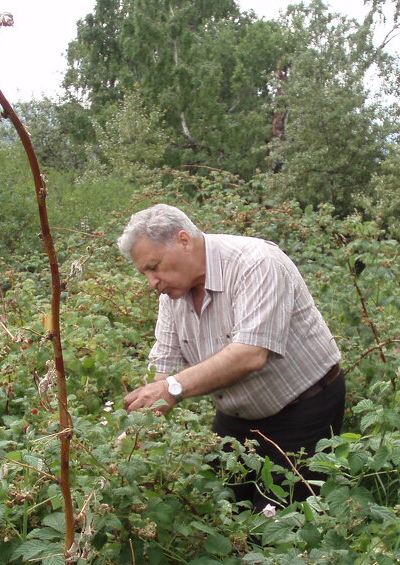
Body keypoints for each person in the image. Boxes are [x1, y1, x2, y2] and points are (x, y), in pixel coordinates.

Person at [119, 203, 345, 505]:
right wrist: (122, 450)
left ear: (184, 241)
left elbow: (250, 354)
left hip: (303, 407)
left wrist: (173, 387)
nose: (152, 283)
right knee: (224, 505)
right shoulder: (173, 296)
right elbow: (163, 369)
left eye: (154, 266)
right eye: (145, 272)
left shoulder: (256, 263)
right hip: (237, 416)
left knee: (284, 523)